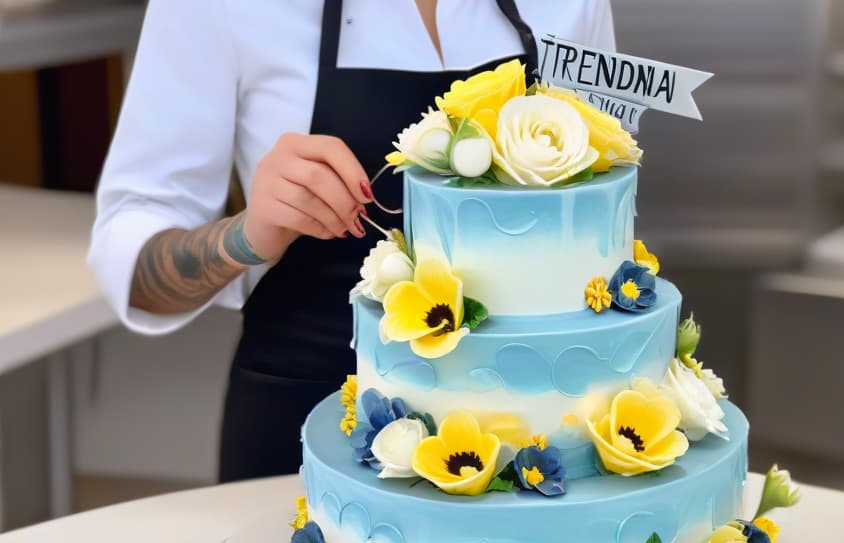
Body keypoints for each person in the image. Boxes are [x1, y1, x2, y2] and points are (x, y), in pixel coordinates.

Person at [89, 0, 615, 482]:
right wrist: (249, 234)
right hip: (302, 423)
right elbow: (134, 270)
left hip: (533, 435)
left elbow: (605, 206)